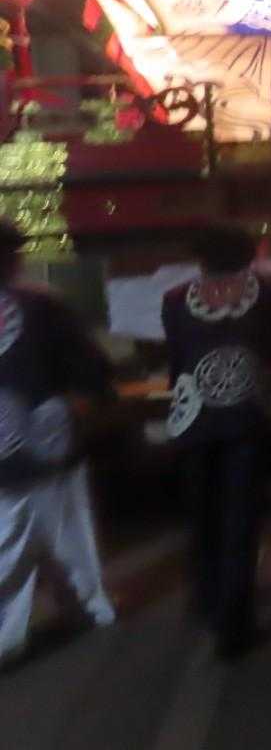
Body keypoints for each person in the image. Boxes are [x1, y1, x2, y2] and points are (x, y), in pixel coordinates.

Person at [161, 222, 271, 658]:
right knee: (241, 520)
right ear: (248, 253)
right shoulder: (270, 291)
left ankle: (207, 601)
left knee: (203, 516)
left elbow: (177, 361)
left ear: (200, 256)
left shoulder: (175, 299)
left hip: (192, 419)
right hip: (248, 420)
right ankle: (234, 624)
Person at [0, 219, 117, 667]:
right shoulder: (42, 304)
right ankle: (89, 607)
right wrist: (83, 404)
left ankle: (7, 633)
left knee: (6, 542)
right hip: (48, 441)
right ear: (13, 257)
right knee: (70, 536)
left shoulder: (41, 304)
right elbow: (89, 368)